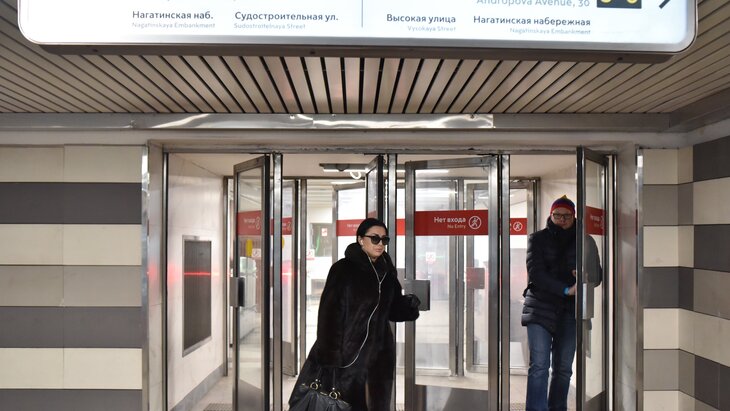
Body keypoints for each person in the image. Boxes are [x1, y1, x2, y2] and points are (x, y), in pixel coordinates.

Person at [289, 217, 421, 411]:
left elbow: (392, 310)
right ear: (360, 239)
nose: (380, 244)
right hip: (347, 356)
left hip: (380, 357)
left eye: (384, 239)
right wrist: (330, 356)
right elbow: (328, 315)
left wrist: (408, 306)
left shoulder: (386, 271)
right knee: (343, 405)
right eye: (375, 238)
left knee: (377, 404)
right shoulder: (343, 269)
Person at [521, 195, 601, 411]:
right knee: (539, 366)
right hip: (540, 307)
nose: (562, 220)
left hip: (571, 311)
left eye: (567, 216)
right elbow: (536, 274)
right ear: (551, 215)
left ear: (574, 216)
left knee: (564, 368)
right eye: (557, 215)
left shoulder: (586, 241)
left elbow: (598, 275)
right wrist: (566, 289)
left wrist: (585, 275)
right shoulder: (537, 239)